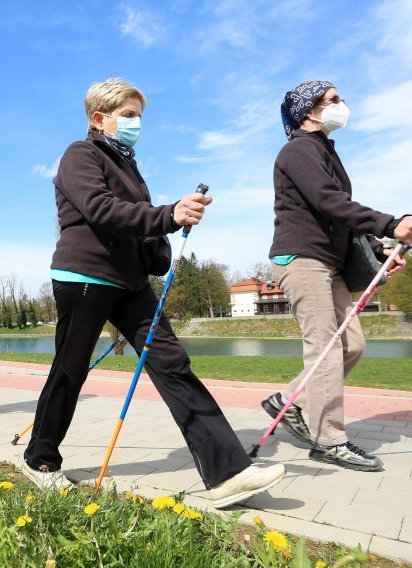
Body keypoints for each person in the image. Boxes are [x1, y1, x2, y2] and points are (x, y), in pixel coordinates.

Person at [21, 78, 284, 508]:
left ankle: (228, 474)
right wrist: (168, 214)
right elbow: (100, 208)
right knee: (71, 369)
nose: (136, 123)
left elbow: (137, 221)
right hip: (84, 275)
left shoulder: (129, 166)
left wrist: (166, 236)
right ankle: (40, 459)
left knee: (173, 364)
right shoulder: (80, 154)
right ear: (99, 119)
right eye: (128, 115)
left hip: (131, 284)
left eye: (139, 115)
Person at [264, 80, 412, 472]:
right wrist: (391, 223)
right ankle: (328, 440)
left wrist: (378, 250)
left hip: (328, 262)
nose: (341, 104)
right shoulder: (298, 150)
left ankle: (289, 401)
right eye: (332, 100)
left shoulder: (323, 151)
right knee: (326, 348)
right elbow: (331, 202)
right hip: (302, 259)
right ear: (308, 111)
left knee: (353, 345)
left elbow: (338, 214)